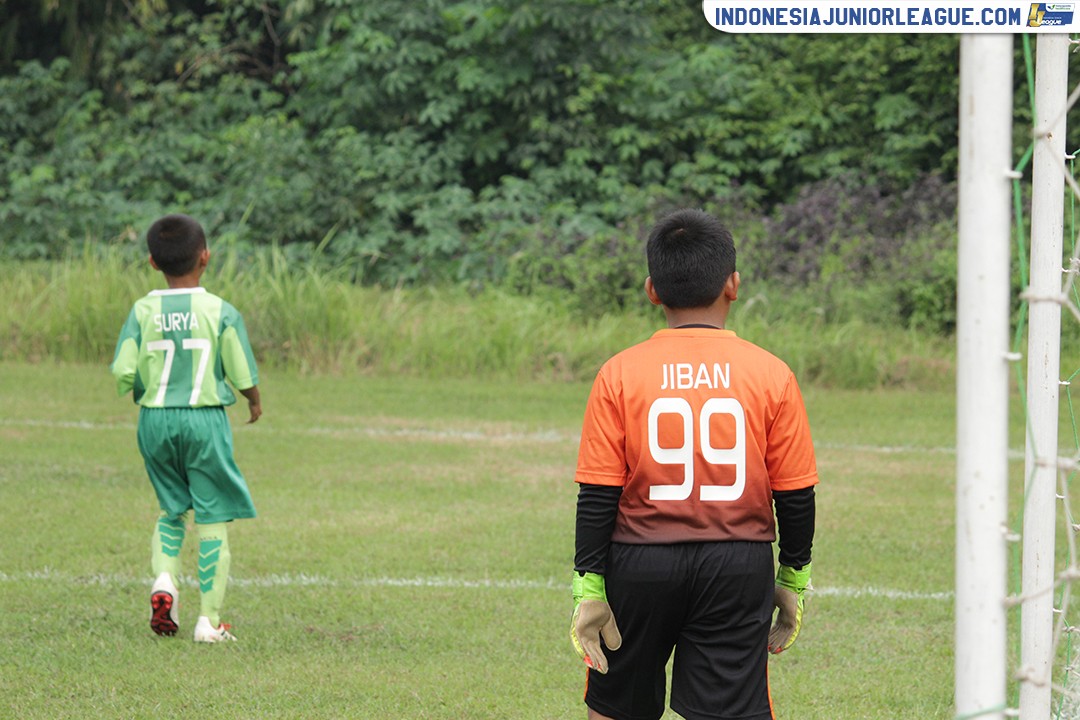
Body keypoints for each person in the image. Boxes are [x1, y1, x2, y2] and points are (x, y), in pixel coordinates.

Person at [570, 208, 818, 720]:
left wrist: (588, 586)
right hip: (736, 563)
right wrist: (792, 578)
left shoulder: (618, 374)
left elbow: (598, 493)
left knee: (618, 708)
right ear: (734, 284)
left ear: (651, 290)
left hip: (639, 561)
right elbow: (795, 493)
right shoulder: (771, 374)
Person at [111, 213, 262, 643]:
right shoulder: (220, 310)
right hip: (203, 419)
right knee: (212, 516)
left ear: (153, 263)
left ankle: (164, 580)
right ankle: (209, 622)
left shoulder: (143, 310)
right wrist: (253, 399)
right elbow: (240, 369)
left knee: (171, 508)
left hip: (155, 420)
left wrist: (145, 387)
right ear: (206, 256)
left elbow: (123, 371)